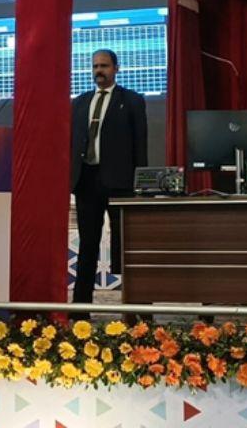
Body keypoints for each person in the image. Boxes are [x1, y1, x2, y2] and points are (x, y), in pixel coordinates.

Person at [69, 48, 147, 306]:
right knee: (87, 247)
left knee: (125, 246)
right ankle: (80, 310)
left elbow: (140, 144)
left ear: (116, 69)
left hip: (120, 183)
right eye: (95, 66)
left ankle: (136, 309)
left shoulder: (132, 100)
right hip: (86, 181)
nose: (98, 71)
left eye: (103, 66)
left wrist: (139, 184)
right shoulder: (80, 102)